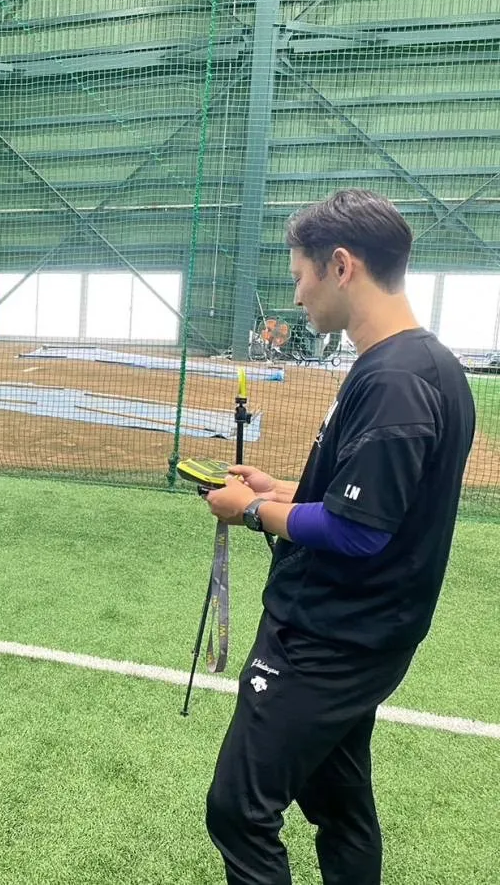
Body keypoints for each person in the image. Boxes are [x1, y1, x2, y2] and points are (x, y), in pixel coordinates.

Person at [201, 189, 475, 884]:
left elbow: (357, 531)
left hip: (327, 638)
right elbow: (381, 500)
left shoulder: (396, 380)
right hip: (369, 633)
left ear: (342, 266)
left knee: (238, 811)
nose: (296, 296)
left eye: (300, 275)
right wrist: (281, 491)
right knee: (340, 803)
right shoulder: (426, 364)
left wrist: (251, 511)